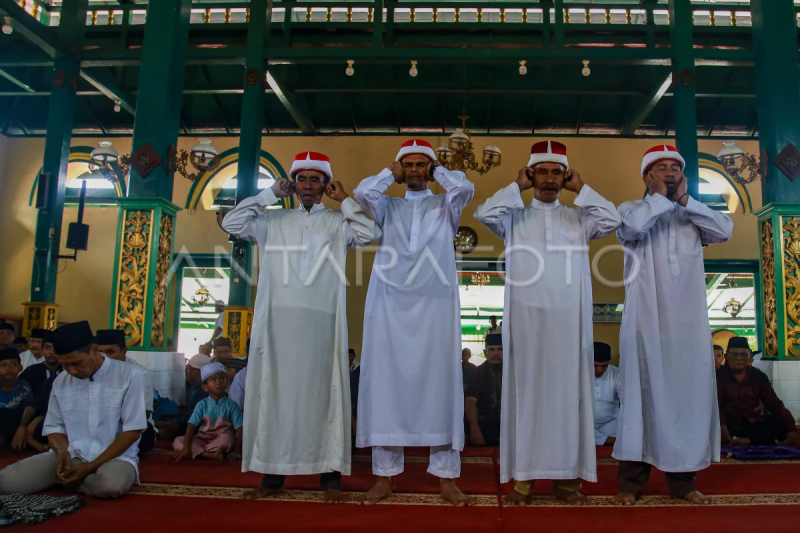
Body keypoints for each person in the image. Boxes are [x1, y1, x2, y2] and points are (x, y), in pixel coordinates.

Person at [222, 150, 380, 503]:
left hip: (323, 324)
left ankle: (330, 480)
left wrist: (346, 201)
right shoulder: (271, 222)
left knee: (326, 395)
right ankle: (272, 477)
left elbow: (370, 232)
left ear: (325, 185)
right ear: (292, 185)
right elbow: (231, 224)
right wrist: (268, 196)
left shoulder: (337, 223)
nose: (308, 186)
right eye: (302, 179)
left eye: (315, 180)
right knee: (275, 394)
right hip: (278, 323)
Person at [475, 140, 620, 506]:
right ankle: (522, 484)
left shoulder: (579, 218)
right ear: (530, 174)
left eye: (558, 172)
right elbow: (484, 213)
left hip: (568, 326)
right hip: (526, 324)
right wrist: (516, 187)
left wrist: (581, 189)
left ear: (566, 176)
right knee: (527, 400)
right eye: (543, 171)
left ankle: (567, 485)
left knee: (568, 399)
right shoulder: (514, 217)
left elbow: (613, 218)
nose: (550, 179)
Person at [612, 145, 733, 506]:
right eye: (660, 168)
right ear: (646, 176)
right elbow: (633, 229)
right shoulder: (631, 209)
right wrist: (662, 199)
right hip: (645, 320)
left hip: (688, 325)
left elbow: (724, 230)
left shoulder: (693, 215)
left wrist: (684, 201)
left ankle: (683, 484)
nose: (669, 172)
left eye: (675, 167)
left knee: (686, 399)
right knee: (640, 397)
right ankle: (630, 486)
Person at [355, 139, 474, 507]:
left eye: (422, 165)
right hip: (389, 305)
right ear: (399, 169)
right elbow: (362, 191)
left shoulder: (446, 205)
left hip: (436, 307)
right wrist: (388, 173)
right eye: (409, 165)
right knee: (387, 387)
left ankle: (446, 478)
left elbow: (465, 187)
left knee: (441, 387)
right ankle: (385, 478)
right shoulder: (387, 205)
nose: (415, 170)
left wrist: (438, 170)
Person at [0, 321, 147, 498]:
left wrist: (89, 468)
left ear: (94, 350)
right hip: (72, 454)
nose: (71, 371)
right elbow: (54, 428)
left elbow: (132, 432)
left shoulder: (129, 376)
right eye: (65, 365)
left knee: (109, 486)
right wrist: (62, 454)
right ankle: (74, 477)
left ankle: (72, 478)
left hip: (114, 459)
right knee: (6, 482)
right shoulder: (61, 381)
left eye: (76, 363)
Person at [718, 337, 799, 447]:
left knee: (779, 425)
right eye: (735, 354)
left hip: (753, 424)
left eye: (743, 354)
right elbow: (714, 407)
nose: (739, 358)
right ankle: (753, 440)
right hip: (728, 424)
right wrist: (721, 426)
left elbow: (774, 404)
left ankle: (746, 440)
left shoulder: (758, 376)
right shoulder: (718, 376)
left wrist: (791, 429)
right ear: (727, 357)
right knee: (713, 430)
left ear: (749, 357)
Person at [96, 329, 156, 454]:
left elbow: (145, 414)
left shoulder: (140, 374)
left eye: (110, 352)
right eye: (100, 352)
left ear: (123, 352)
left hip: (130, 428)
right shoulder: (94, 371)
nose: (104, 357)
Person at [174, 363, 243, 461]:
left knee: (228, 440)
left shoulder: (232, 405)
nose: (218, 383)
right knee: (178, 440)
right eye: (213, 380)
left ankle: (199, 452)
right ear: (205, 387)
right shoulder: (202, 404)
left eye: (221, 379)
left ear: (226, 383)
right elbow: (191, 426)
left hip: (220, 439)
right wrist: (185, 447)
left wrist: (235, 451)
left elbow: (239, 429)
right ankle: (208, 454)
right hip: (202, 439)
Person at [13, 338, 62, 453]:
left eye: (56, 349)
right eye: (48, 348)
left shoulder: (66, 372)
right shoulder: (31, 371)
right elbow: (31, 402)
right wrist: (24, 424)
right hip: (32, 414)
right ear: (42, 349)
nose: (52, 352)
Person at [465, 334, 503, 446]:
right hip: (484, 425)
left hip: (508, 425)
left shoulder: (513, 373)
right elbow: (470, 402)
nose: (495, 353)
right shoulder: (478, 373)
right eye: (491, 350)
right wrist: (474, 427)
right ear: (485, 352)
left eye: (500, 349)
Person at [0, 348, 33, 448]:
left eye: (14, 364)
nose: (9, 368)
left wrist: (22, 426)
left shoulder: (24, 387)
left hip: (16, 425)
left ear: (21, 368)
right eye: (3, 365)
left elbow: (29, 409)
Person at [593, 342, 620, 447]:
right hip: (584, 424)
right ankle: (606, 440)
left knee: (628, 428)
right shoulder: (577, 373)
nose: (600, 370)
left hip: (610, 423)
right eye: (595, 365)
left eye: (604, 366)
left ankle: (597, 440)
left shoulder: (617, 374)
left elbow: (626, 399)